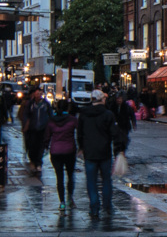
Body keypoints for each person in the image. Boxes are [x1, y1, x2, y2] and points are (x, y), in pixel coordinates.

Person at [75, 89, 126, 219]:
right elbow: (115, 134)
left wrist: (81, 146)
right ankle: (107, 205)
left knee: (91, 181)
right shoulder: (108, 114)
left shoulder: (84, 114)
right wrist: (119, 150)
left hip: (90, 152)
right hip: (104, 152)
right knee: (106, 180)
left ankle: (94, 207)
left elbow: (80, 133)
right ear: (102, 100)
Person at [47, 99, 80, 208]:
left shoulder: (51, 120)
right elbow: (80, 133)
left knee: (59, 177)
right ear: (68, 108)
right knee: (70, 175)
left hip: (55, 151)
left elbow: (47, 136)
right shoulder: (72, 120)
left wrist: (45, 147)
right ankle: (70, 197)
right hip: (69, 150)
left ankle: (62, 202)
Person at [22, 90, 52, 184]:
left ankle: (38, 163)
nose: (38, 95)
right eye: (37, 93)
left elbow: (50, 114)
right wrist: (26, 124)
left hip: (42, 129)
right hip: (32, 129)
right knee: (32, 146)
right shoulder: (30, 104)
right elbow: (25, 115)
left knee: (41, 146)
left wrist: (50, 125)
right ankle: (33, 161)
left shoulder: (45, 104)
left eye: (40, 93)